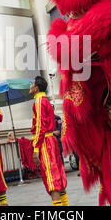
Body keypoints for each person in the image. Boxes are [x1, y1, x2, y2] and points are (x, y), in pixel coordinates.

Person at [29, 76, 68, 206]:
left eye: (32, 83)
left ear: (36, 87)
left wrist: (35, 149)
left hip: (45, 142)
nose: (30, 86)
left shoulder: (39, 102)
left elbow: (40, 126)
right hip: (51, 141)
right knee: (58, 175)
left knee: (52, 178)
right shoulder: (44, 100)